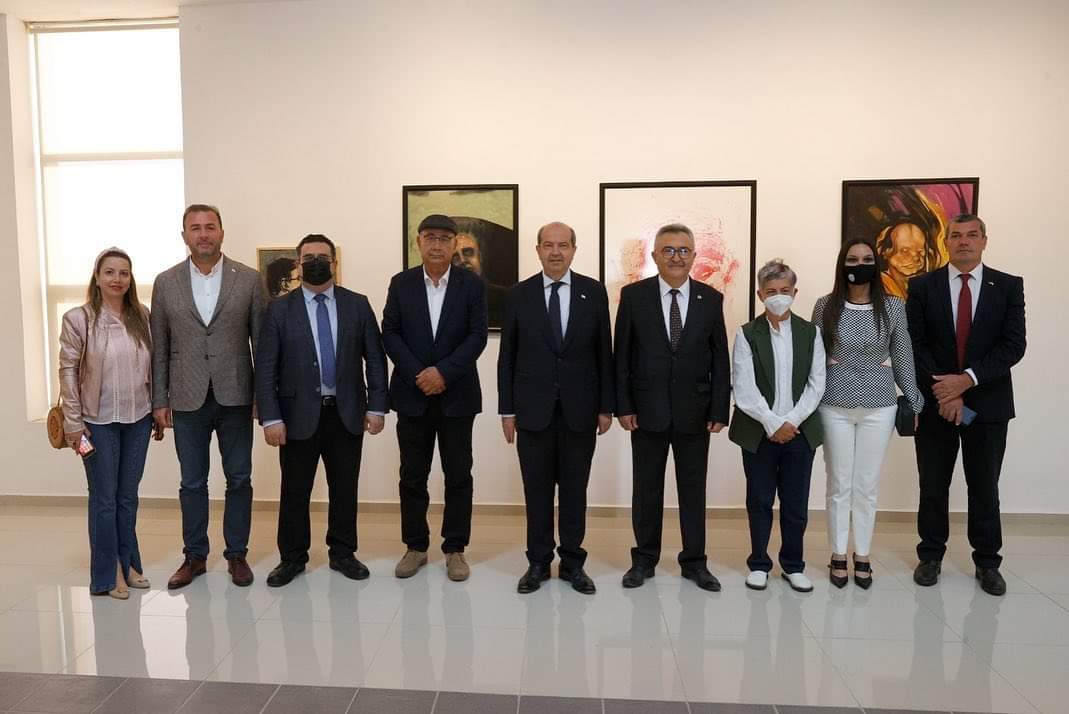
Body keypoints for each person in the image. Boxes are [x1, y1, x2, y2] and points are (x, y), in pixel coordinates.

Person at [255, 234, 389, 587]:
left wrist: (377, 406)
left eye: (323, 257)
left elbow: (375, 360)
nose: (316, 262)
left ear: (334, 263)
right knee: (294, 490)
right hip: (295, 416)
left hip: (346, 413)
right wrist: (271, 417)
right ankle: (292, 558)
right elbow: (266, 367)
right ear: (298, 265)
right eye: (308, 258)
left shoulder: (357, 305)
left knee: (344, 488)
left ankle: (343, 553)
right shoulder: (279, 309)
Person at [907, 214, 1026, 596]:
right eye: (956, 235)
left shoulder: (1007, 286)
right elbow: (913, 342)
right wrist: (946, 391)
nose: (964, 241)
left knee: (984, 487)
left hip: (988, 406)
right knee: (933, 484)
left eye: (972, 235)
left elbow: (1013, 345)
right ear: (946, 242)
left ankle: (987, 563)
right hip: (936, 404)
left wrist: (966, 381)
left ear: (984, 240)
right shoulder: (921, 286)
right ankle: (930, 556)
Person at [150, 204, 266, 589]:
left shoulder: (248, 280)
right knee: (192, 482)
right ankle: (195, 556)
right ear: (184, 235)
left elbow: (262, 345)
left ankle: (237, 555)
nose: (203, 234)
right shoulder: (166, 282)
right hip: (186, 398)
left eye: (210, 227)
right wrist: (160, 399)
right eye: (195, 228)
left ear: (222, 232)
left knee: (239, 478)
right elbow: (160, 347)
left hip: (236, 395)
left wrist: (262, 397)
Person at [497, 222, 614, 595]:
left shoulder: (593, 292)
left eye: (563, 245)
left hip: (581, 410)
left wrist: (606, 406)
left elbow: (604, 352)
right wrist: (507, 411)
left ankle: (573, 563)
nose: (556, 252)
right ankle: (537, 562)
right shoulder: (519, 294)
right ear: (537, 250)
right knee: (537, 492)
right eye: (548, 245)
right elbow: (507, 356)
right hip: (532, 412)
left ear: (574, 249)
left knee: (575, 491)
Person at [614, 223, 731, 592]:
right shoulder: (633, 297)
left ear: (694, 256)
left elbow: (719, 358)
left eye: (683, 250)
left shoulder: (710, 299)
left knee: (693, 491)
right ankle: (644, 560)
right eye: (668, 250)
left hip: (695, 412)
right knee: (646, 489)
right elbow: (622, 356)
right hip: (646, 411)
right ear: (655, 256)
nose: (676, 257)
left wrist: (719, 409)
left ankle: (694, 562)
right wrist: (623, 405)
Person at [812, 237, 923, 589]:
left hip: (880, 405)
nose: (859, 265)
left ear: (876, 264)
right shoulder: (825, 306)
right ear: (842, 265)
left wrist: (914, 400)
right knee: (839, 483)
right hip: (834, 403)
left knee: (866, 484)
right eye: (852, 259)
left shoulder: (893, 306)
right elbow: (814, 358)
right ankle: (837, 553)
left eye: (866, 259)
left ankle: (862, 553)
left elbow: (902, 354)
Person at [382, 214, 488, 582]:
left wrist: (443, 373)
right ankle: (415, 546)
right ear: (419, 242)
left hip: (457, 395)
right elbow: (390, 333)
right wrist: (420, 373)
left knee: (458, 475)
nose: (437, 244)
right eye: (430, 237)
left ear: (455, 243)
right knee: (413, 476)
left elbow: (477, 336)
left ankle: (455, 548)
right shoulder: (401, 283)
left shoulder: (471, 285)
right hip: (412, 395)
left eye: (445, 238)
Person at [59, 248, 156, 600]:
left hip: (139, 419)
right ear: (97, 277)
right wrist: (73, 423)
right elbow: (67, 371)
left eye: (124, 273)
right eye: (110, 272)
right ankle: (107, 573)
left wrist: (158, 410)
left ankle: (129, 564)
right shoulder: (78, 319)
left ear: (131, 279)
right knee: (104, 499)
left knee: (127, 497)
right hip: (95, 423)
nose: (117, 279)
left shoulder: (142, 315)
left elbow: (153, 366)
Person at [729, 260, 825, 592]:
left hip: (800, 432)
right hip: (758, 432)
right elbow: (744, 387)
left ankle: (793, 565)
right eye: (771, 291)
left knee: (795, 503)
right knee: (759, 500)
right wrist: (772, 423)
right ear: (760, 295)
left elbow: (817, 383)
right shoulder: (746, 334)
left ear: (795, 292)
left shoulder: (811, 333)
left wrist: (791, 421)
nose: (778, 297)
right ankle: (758, 563)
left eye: (785, 290)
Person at [878, 222, 929, 299]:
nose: (915, 257)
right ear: (886, 252)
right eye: (905, 251)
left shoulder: (925, 284)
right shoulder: (879, 285)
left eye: (920, 251)